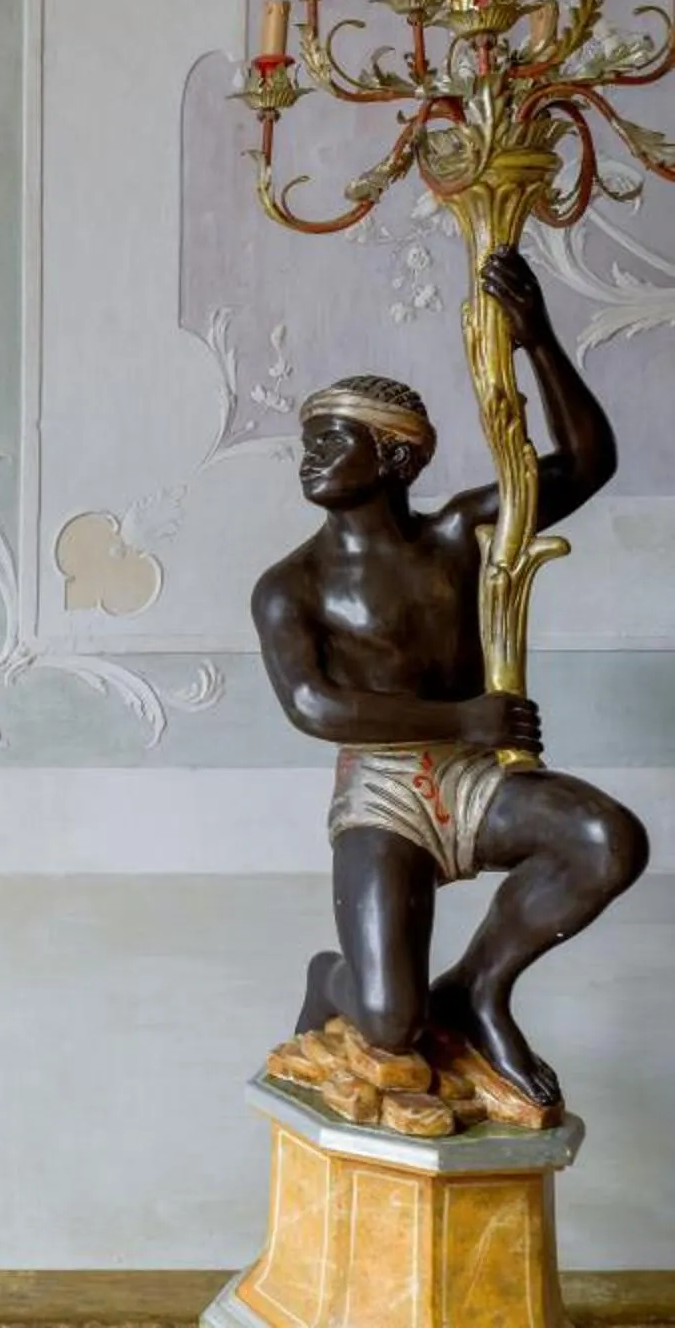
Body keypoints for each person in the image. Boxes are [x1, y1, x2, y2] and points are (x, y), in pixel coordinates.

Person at [251, 249, 649, 1112]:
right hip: (387, 794)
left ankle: (476, 990)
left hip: (474, 782)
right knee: (390, 1023)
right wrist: (466, 718)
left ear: (396, 460)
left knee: (604, 841)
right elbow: (314, 705)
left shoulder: (459, 535)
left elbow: (585, 463)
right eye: (308, 436)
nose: (310, 454)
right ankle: (335, 981)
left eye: (334, 437)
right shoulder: (291, 585)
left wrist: (538, 338)